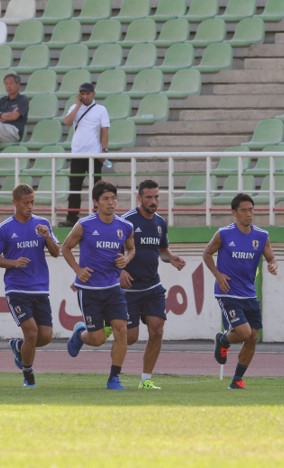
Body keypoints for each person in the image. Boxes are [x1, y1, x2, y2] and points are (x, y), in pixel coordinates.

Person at [62, 181, 135, 390]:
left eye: (113, 198)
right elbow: (65, 248)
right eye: (105, 199)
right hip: (89, 290)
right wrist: (78, 270)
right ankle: (80, 333)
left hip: (113, 288)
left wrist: (126, 260)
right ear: (96, 202)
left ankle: (114, 378)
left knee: (122, 330)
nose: (111, 203)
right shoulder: (84, 225)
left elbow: (131, 249)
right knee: (97, 339)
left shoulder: (125, 226)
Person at [203, 193, 278, 390]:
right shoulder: (224, 234)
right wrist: (218, 275)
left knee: (252, 336)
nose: (248, 214)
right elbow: (207, 253)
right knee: (244, 332)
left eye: (251, 210)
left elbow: (271, 257)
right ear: (234, 212)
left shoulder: (261, 236)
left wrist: (273, 265)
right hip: (227, 291)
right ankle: (222, 339)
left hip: (249, 293)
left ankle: (237, 379)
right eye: (244, 210)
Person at [0, 183, 59, 388]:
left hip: (40, 288)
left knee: (45, 336)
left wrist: (47, 236)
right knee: (31, 332)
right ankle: (28, 376)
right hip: (16, 288)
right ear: (15, 203)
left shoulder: (42, 224)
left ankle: (18, 346)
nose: (30, 206)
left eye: (32, 202)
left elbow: (56, 253)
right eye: (25, 203)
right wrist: (13, 263)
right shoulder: (4, 228)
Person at [120, 180, 186, 390]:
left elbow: (162, 250)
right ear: (139, 198)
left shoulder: (160, 223)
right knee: (130, 338)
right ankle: (105, 328)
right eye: (149, 197)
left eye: (156, 197)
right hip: (129, 289)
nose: (154, 201)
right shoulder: (127, 222)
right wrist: (119, 271)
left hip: (152, 287)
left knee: (157, 330)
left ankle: (146, 379)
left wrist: (172, 258)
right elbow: (112, 250)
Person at [58, 82, 110, 228]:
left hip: (94, 153)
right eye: (83, 93)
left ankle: (98, 214)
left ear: (93, 93)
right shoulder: (75, 108)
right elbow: (67, 121)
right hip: (77, 153)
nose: (85, 96)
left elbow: (105, 131)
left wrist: (104, 150)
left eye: (87, 93)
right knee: (75, 186)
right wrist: (78, 105)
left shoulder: (101, 109)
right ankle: (72, 216)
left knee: (97, 186)